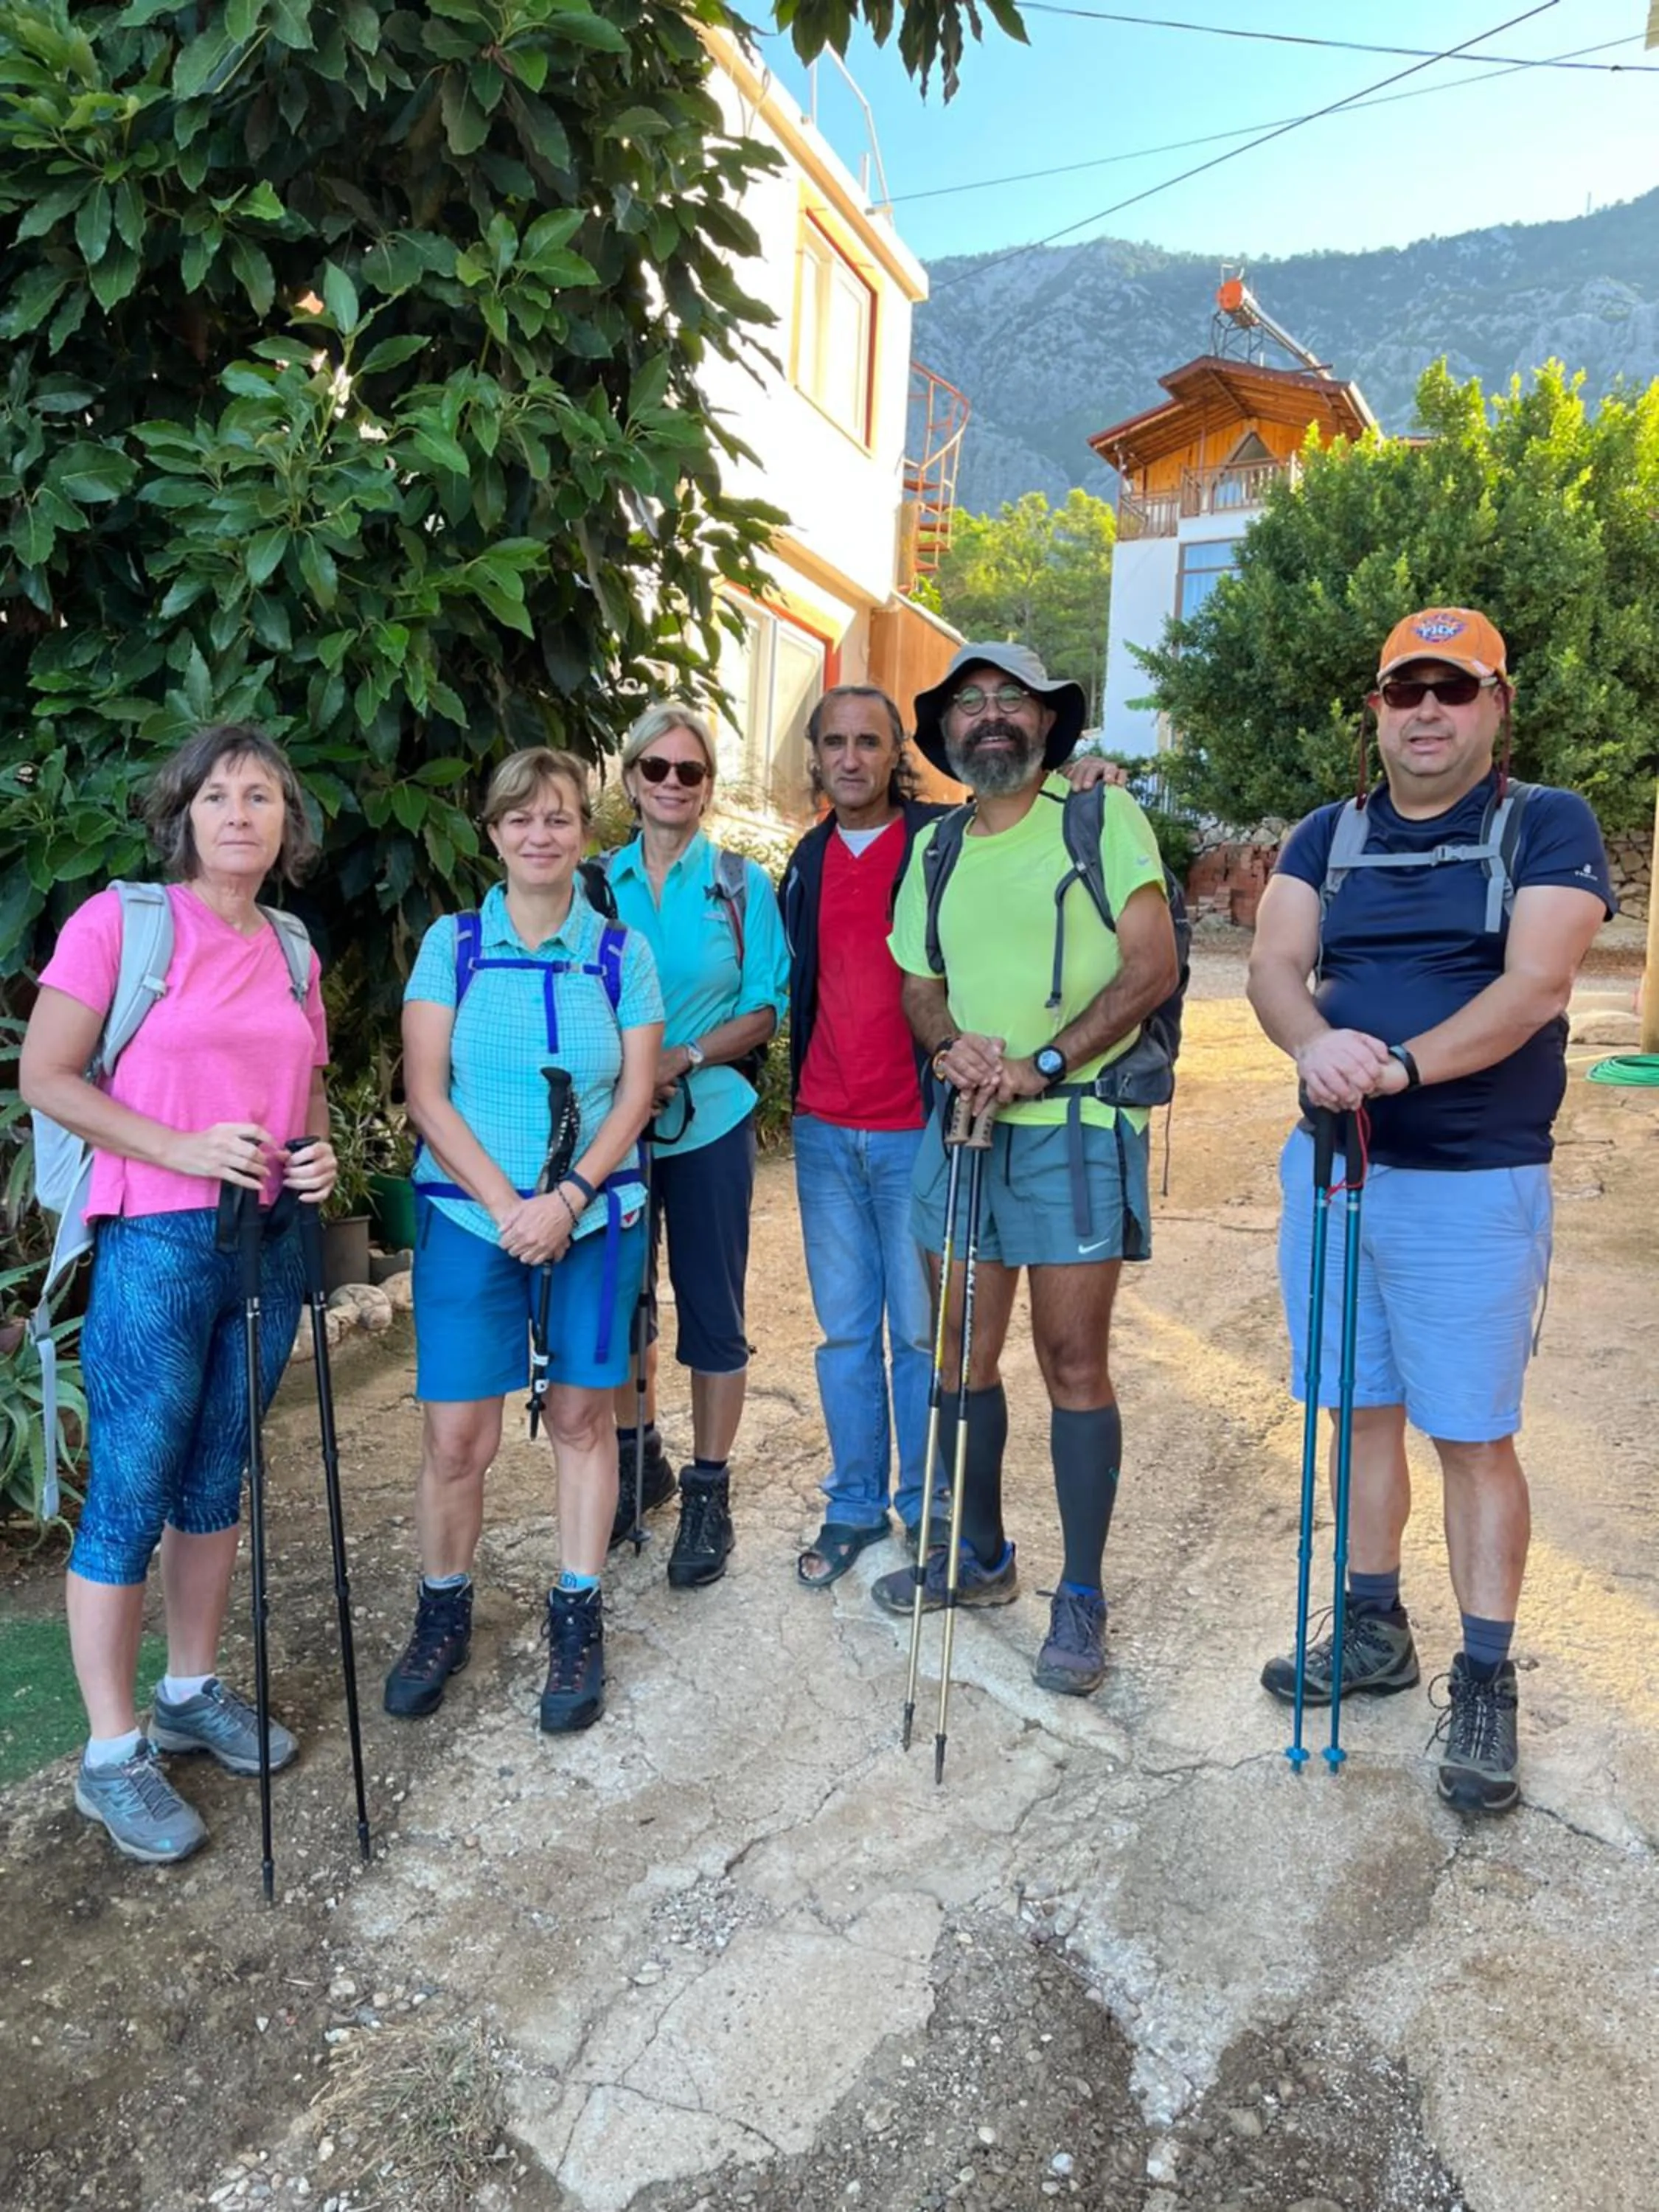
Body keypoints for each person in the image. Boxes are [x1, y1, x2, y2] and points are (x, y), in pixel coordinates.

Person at [1248, 608, 1615, 1815]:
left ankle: (1487, 1680)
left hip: (1470, 1180)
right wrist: (1315, 1045)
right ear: (1376, 708)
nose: (1425, 711)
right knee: (1357, 1412)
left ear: (1495, 706)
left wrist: (1396, 1067)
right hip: (1334, 1168)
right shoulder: (1328, 832)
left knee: (1469, 1432)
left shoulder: (1545, 823)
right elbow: (1273, 968)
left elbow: (1535, 986)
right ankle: (1373, 1629)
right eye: (1404, 689)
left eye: (1452, 690)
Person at [20, 726, 335, 1864]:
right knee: (131, 1490)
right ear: (183, 815)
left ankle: (189, 1693)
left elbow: (306, 1089)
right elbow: (46, 1075)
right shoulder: (123, 925)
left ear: (286, 823)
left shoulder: (292, 947)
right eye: (217, 796)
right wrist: (180, 1147)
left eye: (261, 796)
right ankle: (111, 1756)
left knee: (215, 1477)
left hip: (270, 1243)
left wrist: (319, 1157)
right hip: (155, 1238)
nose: (239, 814)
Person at [870, 642, 1179, 1697]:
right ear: (945, 731)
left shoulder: (1099, 817)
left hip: (1075, 1129)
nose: (990, 716)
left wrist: (1041, 1064)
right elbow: (919, 981)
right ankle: (981, 1555)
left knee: (1071, 1360)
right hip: (964, 1125)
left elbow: (1151, 968)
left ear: (1048, 723)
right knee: (958, 1351)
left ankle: (1081, 1596)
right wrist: (950, 1048)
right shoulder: (936, 848)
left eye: (1012, 699)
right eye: (969, 703)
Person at [781, 685, 1122, 1587]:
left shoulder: (945, 835)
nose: (850, 758)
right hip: (825, 1127)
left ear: (898, 752)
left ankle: (936, 1510)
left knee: (928, 1339)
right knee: (844, 1334)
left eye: (869, 741)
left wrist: (1087, 776)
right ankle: (857, 1503)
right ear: (815, 756)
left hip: (920, 1128)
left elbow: (1028, 824)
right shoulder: (806, 861)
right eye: (834, 742)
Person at [386, 748, 662, 1734]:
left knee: (584, 1420)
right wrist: (511, 1206)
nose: (539, 834)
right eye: (519, 818)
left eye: (558, 817)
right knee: (458, 1436)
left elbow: (635, 1094)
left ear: (584, 830)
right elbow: (426, 1094)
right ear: (493, 831)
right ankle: (443, 1609)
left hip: (593, 1218)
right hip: (472, 1218)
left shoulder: (620, 954)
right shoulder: (453, 944)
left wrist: (568, 1198)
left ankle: (577, 1613)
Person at [599, 702, 789, 1588]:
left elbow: (765, 1008)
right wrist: (631, 1073)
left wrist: (682, 1057)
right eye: (657, 768)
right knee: (619, 1301)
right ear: (632, 778)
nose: (673, 784)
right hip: (615, 1126)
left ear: (708, 787)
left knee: (713, 1307)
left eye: (691, 771)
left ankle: (710, 1490)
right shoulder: (594, 884)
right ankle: (640, 1461)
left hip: (709, 1118)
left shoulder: (742, 885)